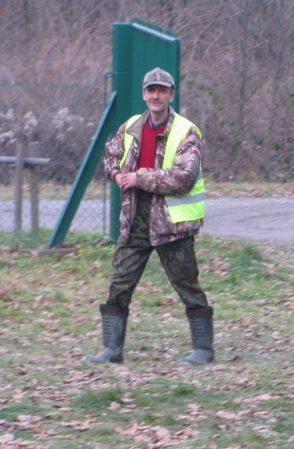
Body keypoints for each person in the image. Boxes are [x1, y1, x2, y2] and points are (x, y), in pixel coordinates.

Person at [85, 67, 214, 365]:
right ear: (144, 94)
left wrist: (138, 178)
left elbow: (183, 177)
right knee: (119, 282)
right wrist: (117, 174)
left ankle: (204, 350)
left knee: (187, 284)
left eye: (162, 90)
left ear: (171, 94)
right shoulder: (131, 126)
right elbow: (110, 155)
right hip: (134, 219)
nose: (155, 95)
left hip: (172, 224)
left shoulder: (186, 131)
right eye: (150, 90)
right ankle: (112, 350)